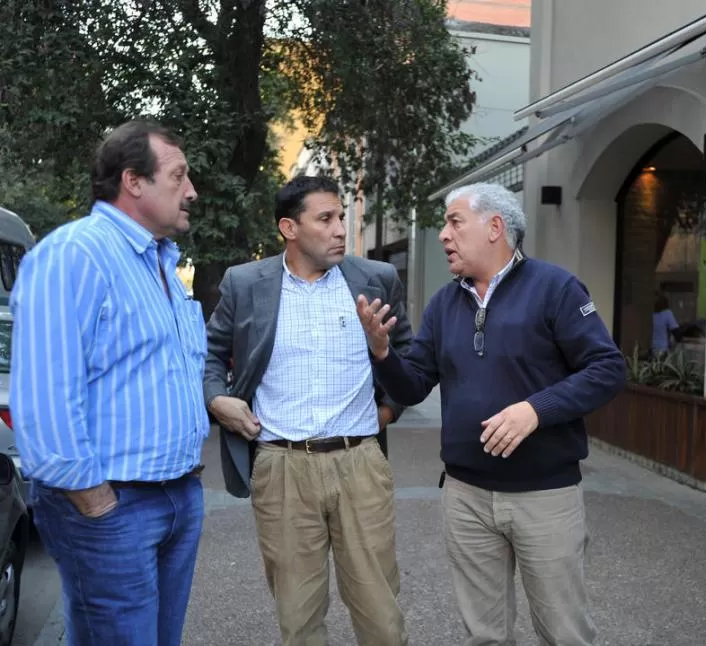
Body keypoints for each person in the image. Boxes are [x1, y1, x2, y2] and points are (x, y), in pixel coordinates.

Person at [356, 182, 626, 646]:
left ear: (495, 227)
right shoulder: (444, 303)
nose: (443, 234)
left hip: (545, 497)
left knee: (565, 633)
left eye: (454, 222)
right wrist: (383, 355)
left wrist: (535, 410)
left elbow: (607, 369)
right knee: (485, 636)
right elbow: (415, 384)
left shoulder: (555, 288)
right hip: (466, 497)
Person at [11, 120, 208, 646]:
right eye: (179, 176)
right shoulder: (75, 254)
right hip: (111, 507)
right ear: (133, 182)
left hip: (176, 495)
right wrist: (94, 499)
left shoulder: (160, 265)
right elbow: (45, 395)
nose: (191, 191)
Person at [203, 175, 412, 646]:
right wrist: (217, 399)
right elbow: (210, 353)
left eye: (342, 217)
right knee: (298, 618)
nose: (340, 228)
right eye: (326, 219)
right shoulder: (246, 283)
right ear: (289, 228)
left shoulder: (377, 279)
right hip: (281, 466)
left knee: (382, 615)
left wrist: (388, 411)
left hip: (360, 463)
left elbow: (410, 357)